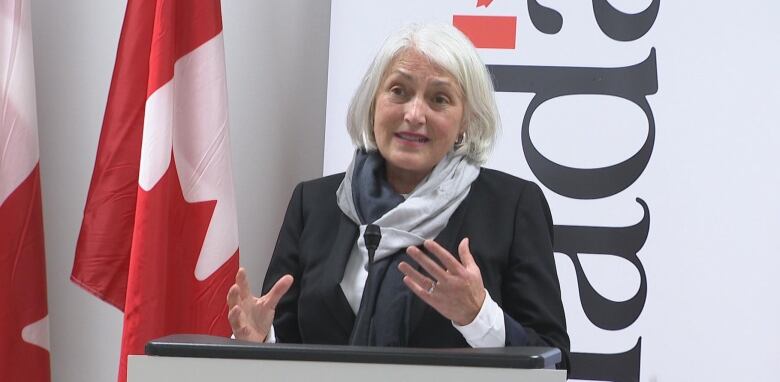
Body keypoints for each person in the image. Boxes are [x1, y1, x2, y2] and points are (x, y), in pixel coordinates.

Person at [226, 23, 570, 370]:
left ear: (466, 120)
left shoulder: (510, 207)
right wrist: (260, 343)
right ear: (373, 103)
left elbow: (555, 359)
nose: (414, 115)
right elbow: (287, 348)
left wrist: (478, 315)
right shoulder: (314, 203)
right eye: (399, 92)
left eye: (439, 99)